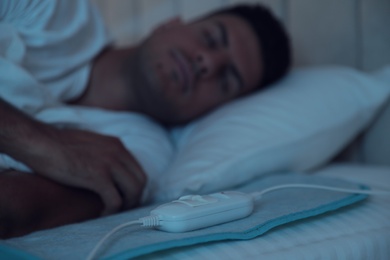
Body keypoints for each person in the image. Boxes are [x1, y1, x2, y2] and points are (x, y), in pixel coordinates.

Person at [0, 0, 290, 238]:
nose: (208, 63)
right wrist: (41, 143)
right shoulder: (54, 12)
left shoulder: (144, 154)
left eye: (227, 80)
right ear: (170, 24)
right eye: (210, 38)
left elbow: (12, 209)